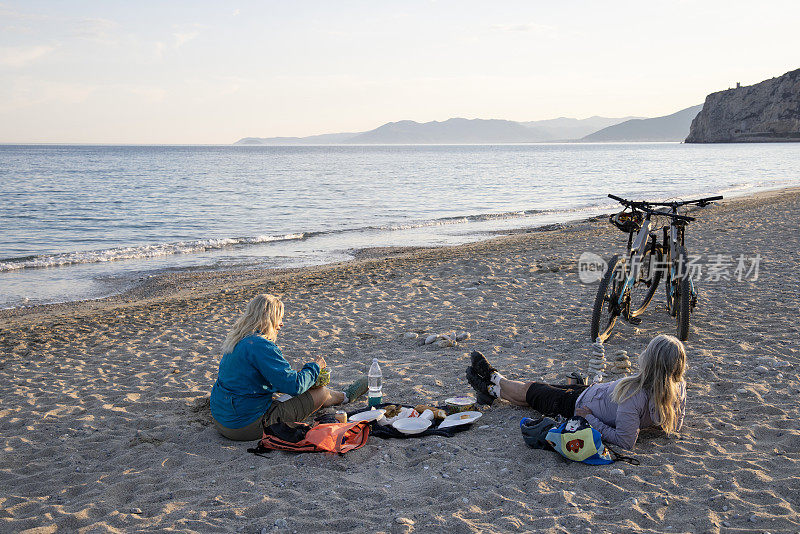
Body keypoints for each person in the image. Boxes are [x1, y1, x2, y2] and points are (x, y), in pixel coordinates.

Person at [465, 334, 687, 450]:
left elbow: (625, 441)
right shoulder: (678, 388)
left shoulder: (634, 396)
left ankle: (493, 378)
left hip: (577, 405)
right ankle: (491, 391)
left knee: (530, 391)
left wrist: (588, 418)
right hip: (590, 392)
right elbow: (674, 423)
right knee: (535, 394)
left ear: (651, 363)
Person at [210, 294, 368, 441]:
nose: (281, 324)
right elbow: (294, 386)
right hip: (246, 427)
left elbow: (261, 379)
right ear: (269, 318)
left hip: (222, 420)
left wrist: (302, 376)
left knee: (302, 384)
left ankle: (342, 395)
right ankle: (346, 396)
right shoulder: (260, 345)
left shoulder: (237, 340)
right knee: (320, 392)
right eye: (279, 318)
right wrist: (315, 366)